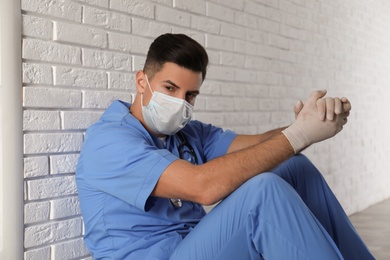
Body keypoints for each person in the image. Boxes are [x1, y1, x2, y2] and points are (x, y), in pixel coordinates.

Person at [76, 33, 374, 260]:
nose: (180, 102)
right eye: (170, 88)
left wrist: (309, 123)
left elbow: (260, 145)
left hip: (194, 246)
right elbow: (203, 186)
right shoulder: (108, 142)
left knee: (295, 167)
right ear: (142, 81)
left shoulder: (187, 132)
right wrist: (299, 136)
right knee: (262, 193)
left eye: (190, 94)